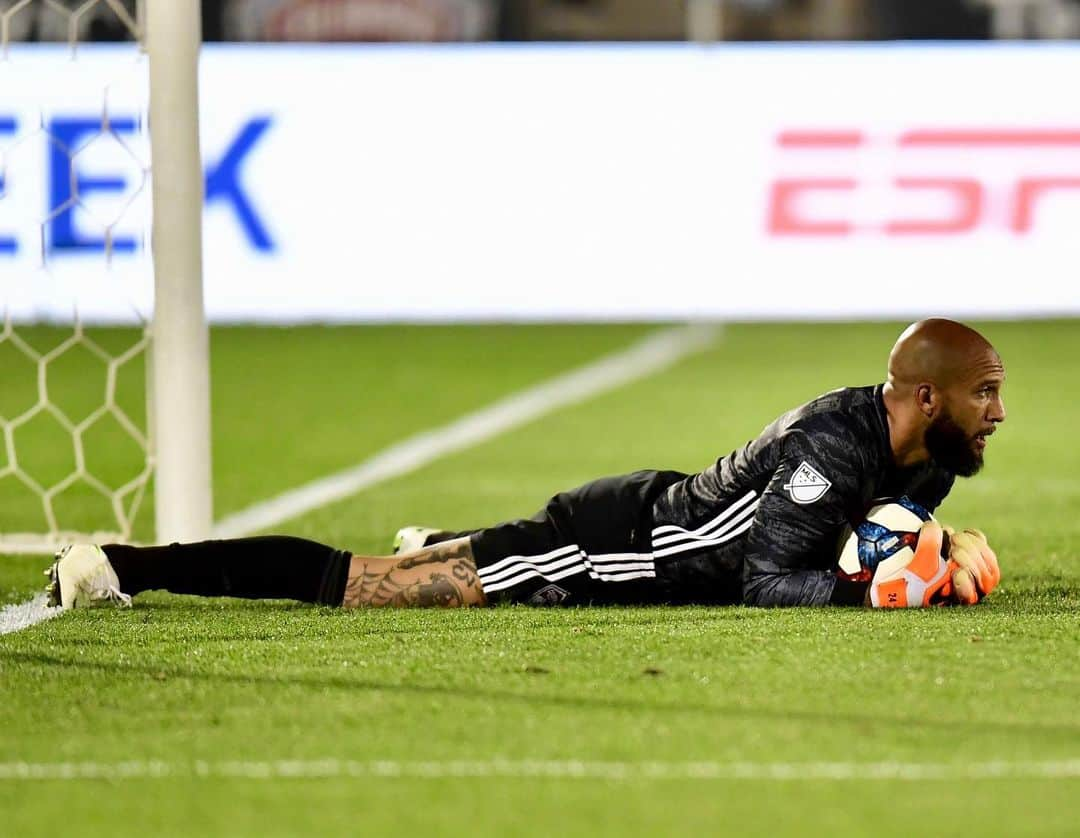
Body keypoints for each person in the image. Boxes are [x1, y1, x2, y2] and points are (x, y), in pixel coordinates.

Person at [46, 318, 1005, 612]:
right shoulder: (832, 445)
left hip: (652, 519)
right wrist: (885, 591)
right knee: (366, 587)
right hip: (614, 549)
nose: (997, 414)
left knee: (448, 559)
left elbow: (862, 534)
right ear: (925, 398)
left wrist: (937, 541)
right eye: (984, 394)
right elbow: (765, 579)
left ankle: (449, 541)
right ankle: (126, 567)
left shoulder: (930, 459)